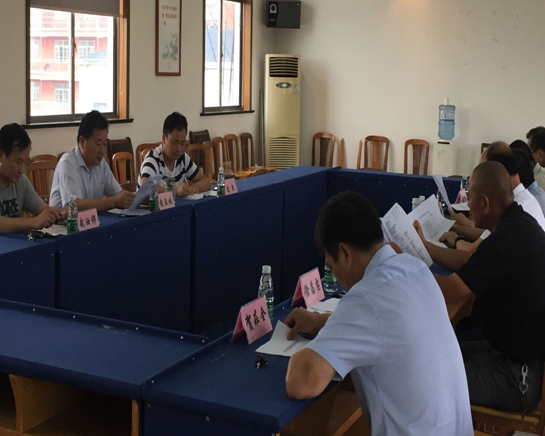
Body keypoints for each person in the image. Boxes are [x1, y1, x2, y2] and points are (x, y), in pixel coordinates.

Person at [285, 191, 472, 436]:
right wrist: (320, 321)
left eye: (331, 265)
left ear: (345, 253)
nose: (337, 279)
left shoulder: (366, 297)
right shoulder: (414, 268)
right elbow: (387, 324)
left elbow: (302, 383)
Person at [431, 162, 545, 411]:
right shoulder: (522, 223)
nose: (467, 206)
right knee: (435, 355)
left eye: (469, 198)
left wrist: (403, 266)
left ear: (484, 202)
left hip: (520, 377)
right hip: (516, 357)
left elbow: (449, 290)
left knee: (428, 379)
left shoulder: (504, 240)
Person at [49, 111, 135, 211]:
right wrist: (113, 202)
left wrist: (136, 198)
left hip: (92, 220)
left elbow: (118, 194)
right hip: (64, 221)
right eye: (98, 144)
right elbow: (74, 205)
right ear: (82, 142)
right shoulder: (68, 163)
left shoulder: (101, 163)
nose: (102, 151)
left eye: (105, 144)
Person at [0, 123, 64, 233]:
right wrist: (33, 222)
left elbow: (43, 209)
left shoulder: (21, 182)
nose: (22, 169)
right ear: (1, 156)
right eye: (18, 162)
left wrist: (61, 213)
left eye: (25, 163)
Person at [137, 112, 210, 197]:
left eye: (182, 143)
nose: (179, 148)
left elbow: (205, 181)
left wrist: (193, 188)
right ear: (164, 139)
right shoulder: (153, 159)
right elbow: (145, 189)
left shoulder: (182, 158)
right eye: (175, 143)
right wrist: (174, 190)